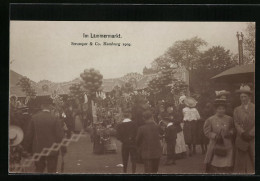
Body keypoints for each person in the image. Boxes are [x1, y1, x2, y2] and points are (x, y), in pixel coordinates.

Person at [24, 97, 64, 173]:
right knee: (52, 170)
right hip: (52, 149)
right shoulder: (55, 118)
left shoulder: (34, 118)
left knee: (39, 169)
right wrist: (63, 148)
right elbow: (60, 136)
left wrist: (26, 149)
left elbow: (29, 135)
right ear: (50, 106)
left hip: (38, 149)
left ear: (41, 106)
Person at [203, 98, 235, 173]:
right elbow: (206, 131)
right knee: (215, 164)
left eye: (223, 109)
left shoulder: (229, 119)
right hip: (215, 144)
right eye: (219, 109)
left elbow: (233, 128)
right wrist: (215, 136)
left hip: (227, 144)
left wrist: (230, 132)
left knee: (227, 164)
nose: (221, 110)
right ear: (216, 110)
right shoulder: (210, 119)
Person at [233, 85, 255, 174]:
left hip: (252, 137)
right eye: (241, 97)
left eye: (245, 96)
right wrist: (242, 133)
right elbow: (236, 123)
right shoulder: (237, 109)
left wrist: (251, 133)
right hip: (241, 137)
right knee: (241, 157)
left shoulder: (255, 107)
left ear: (249, 97)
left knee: (254, 155)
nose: (243, 98)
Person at [136, 109, 162, 173]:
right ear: (151, 117)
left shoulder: (141, 128)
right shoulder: (157, 127)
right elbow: (161, 134)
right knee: (155, 171)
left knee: (148, 171)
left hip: (146, 153)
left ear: (144, 118)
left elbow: (137, 141)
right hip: (157, 153)